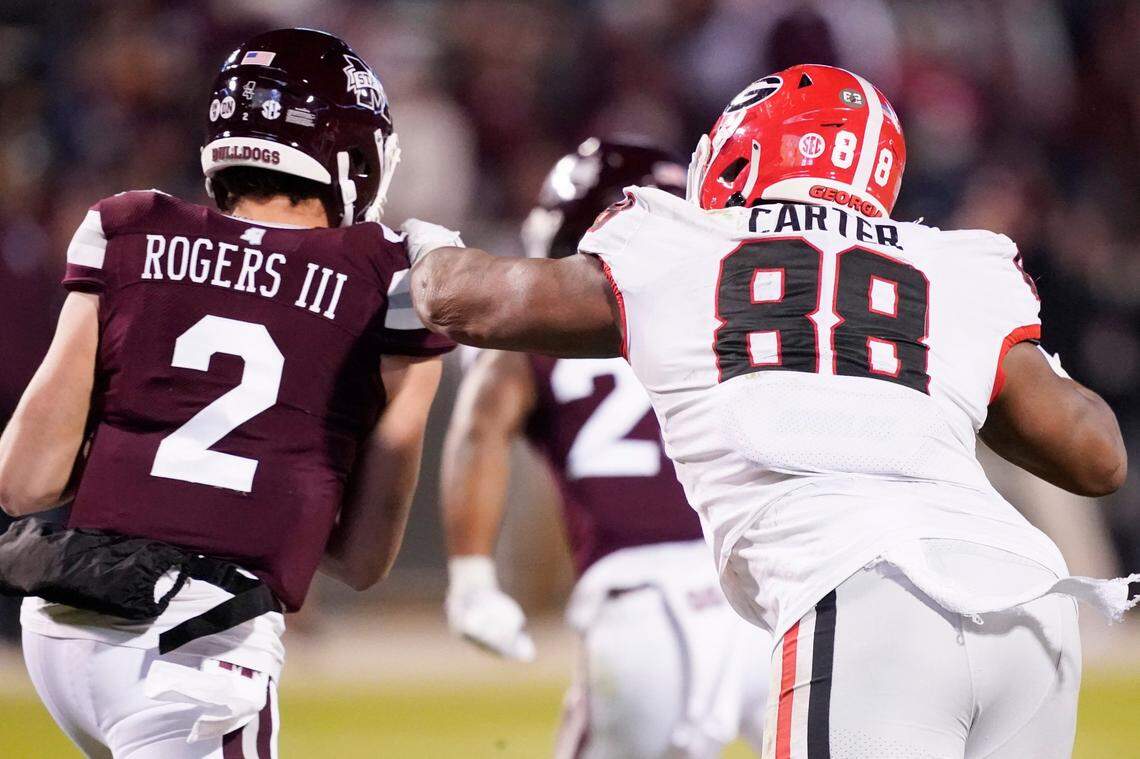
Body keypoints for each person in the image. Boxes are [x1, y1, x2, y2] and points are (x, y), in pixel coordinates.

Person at [404, 64, 1134, 758]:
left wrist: (411, 245)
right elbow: (1098, 455)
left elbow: (466, 298)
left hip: (866, 588)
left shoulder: (678, 240)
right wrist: (974, 371)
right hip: (1033, 604)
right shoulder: (954, 261)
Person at [0, 28, 452, 758]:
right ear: (352, 156)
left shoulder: (127, 228)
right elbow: (363, 557)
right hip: (194, 642)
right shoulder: (392, 277)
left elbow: (21, 482)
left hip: (63, 624)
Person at [442, 139, 769, 759]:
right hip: (761, 599)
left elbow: (482, 427)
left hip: (640, 611)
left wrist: (471, 575)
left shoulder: (536, 332)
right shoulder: (740, 311)